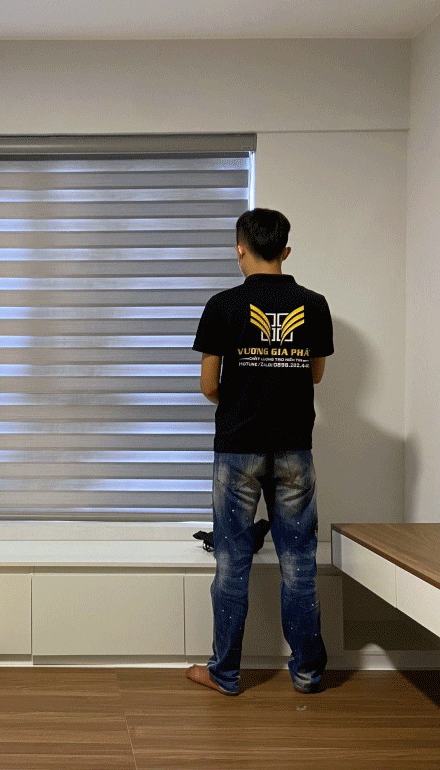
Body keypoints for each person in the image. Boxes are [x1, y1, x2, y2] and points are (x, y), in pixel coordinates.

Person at [187, 207, 333, 695]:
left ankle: (225, 674)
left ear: (239, 249)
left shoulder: (222, 306)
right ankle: (308, 674)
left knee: (232, 562)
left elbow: (209, 385)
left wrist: (243, 397)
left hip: (238, 449)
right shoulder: (314, 305)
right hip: (294, 449)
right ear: (285, 251)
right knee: (299, 562)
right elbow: (315, 374)